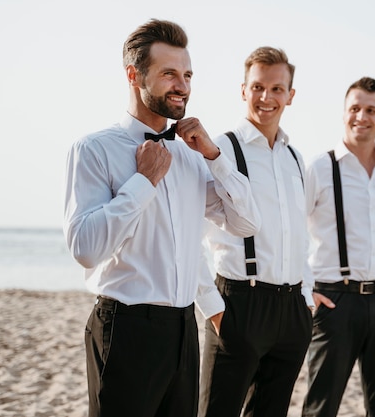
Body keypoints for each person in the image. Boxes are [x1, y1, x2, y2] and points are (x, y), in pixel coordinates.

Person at [63, 19, 260, 417]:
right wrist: (143, 182)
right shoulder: (94, 149)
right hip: (125, 329)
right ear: (134, 75)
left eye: (187, 75)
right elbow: (85, 249)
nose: (182, 86)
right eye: (169, 73)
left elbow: (247, 224)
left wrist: (215, 158)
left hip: (184, 329)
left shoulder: (191, 154)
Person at [198, 46, 313, 417]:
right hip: (239, 305)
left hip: (291, 311)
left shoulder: (295, 158)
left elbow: (299, 234)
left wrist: (306, 299)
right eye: (258, 87)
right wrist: (214, 309)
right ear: (243, 90)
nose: (267, 97)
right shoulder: (220, 150)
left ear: (290, 96)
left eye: (277, 89)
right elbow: (191, 238)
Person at [301, 77, 375, 417]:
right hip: (334, 302)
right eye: (355, 108)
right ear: (343, 114)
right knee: (320, 407)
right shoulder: (319, 167)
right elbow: (293, 231)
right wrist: (306, 289)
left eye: (371, 110)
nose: (362, 116)